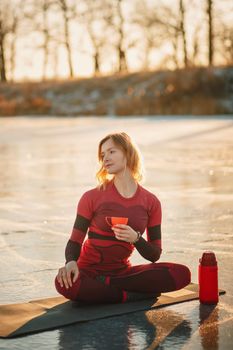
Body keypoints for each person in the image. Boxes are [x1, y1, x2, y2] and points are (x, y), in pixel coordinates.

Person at [55, 132, 191, 304]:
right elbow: (75, 241)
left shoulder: (151, 202)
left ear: (127, 152)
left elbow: (154, 254)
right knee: (63, 284)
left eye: (112, 152)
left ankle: (109, 287)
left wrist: (136, 239)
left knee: (180, 273)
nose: (105, 159)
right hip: (89, 271)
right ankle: (127, 295)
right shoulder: (91, 197)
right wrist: (70, 262)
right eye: (102, 155)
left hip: (123, 273)